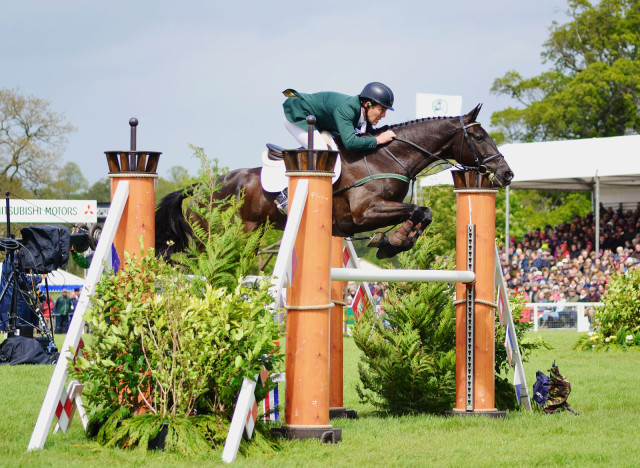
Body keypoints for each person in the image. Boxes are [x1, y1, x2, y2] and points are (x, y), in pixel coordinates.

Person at [276, 82, 397, 213]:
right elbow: (351, 142)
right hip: (298, 114)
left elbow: (363, 137)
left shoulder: (362, 116)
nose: (383, 115)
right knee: (324, 152)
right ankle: (286, 195)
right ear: (368, 104)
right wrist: (378, 139)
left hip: (320, 121)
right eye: (382, 110)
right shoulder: (348, 109)